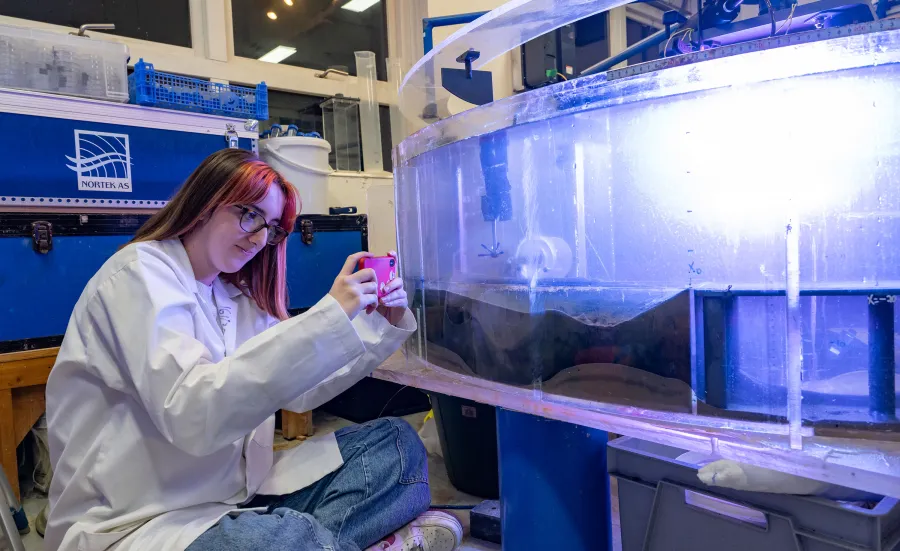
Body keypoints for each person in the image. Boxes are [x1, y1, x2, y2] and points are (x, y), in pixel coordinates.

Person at [44, 149, 463, 551]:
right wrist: (329, 315)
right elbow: (193, 413)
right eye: (249, 215)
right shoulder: (138, 275)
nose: (260, 238)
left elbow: (296, 387)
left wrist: (376, 322)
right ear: (205, 202)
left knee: (395, 446)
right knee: (285, 540)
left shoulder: (234, 298)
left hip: (236, 500)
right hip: (139, 523)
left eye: (272, 227)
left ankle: (325, 543)